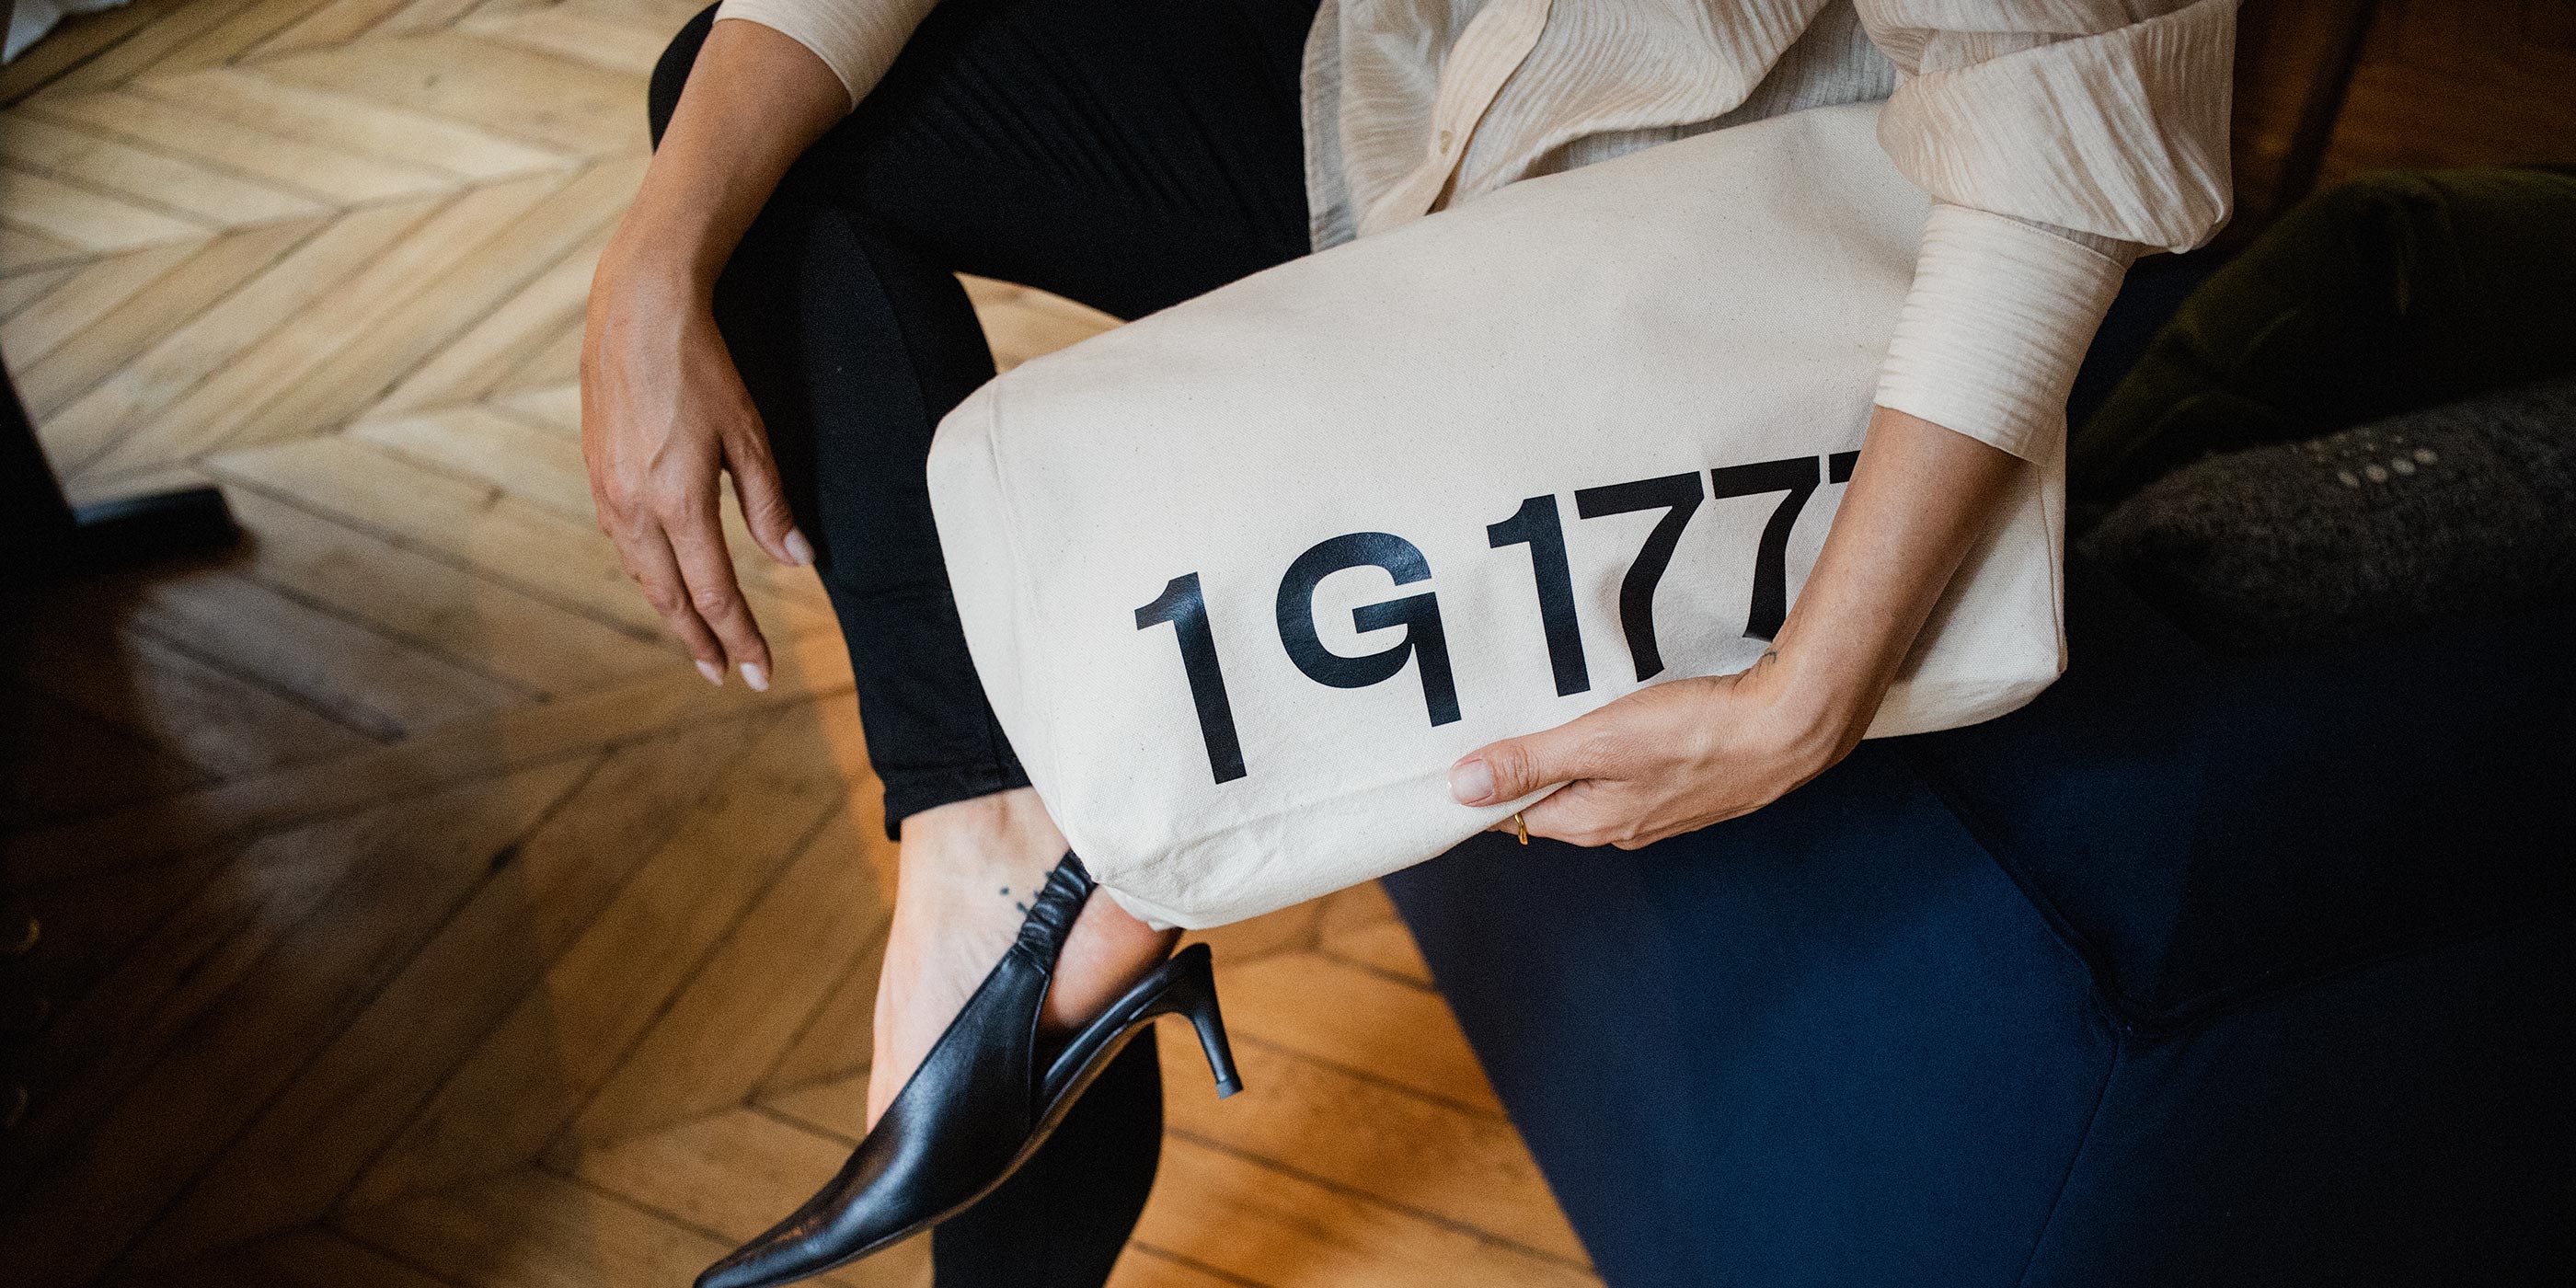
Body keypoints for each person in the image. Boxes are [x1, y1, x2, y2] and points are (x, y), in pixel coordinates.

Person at [581, 0, 2233, 1281]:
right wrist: (648, 263)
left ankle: (1034, 912)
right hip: (1397, 96)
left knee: (1036, 942)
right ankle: (992, 834)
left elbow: (2057, 116)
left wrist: (1808, 690)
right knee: (738, 128)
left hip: (1691, 264)